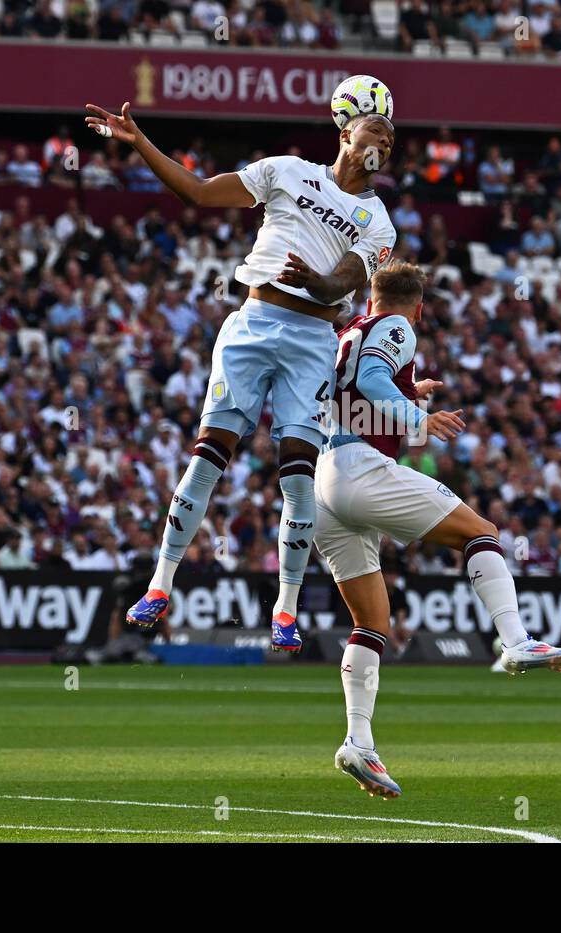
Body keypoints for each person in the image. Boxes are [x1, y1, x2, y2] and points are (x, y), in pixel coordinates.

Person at [85, 99, 397, 653]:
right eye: (375, 130)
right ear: (346, 134)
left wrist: (319, 281)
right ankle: (160, 585)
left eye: (391, 141)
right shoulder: (286, 170)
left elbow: (340, 284)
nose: (383, 142)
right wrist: (140, 144)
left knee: (298, 477)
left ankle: (285, 609)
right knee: (209, 454)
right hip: (252, 323)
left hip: (312, 341)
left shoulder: (379, 223)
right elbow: (198, 193)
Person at [313, 260, 561, 798]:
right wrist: (418, 419)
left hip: (324, 483)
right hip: (362, 468)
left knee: (372, 621)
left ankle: (358, 743)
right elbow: (370, 381)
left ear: (370, 296)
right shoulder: (396, 327)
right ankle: (516, 641)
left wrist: (408, 395)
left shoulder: (347, 332)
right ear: (417, 306)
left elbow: (354, 392)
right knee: (480, 532)